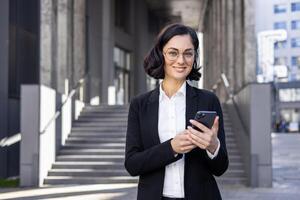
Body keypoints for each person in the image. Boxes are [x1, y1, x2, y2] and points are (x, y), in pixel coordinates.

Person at [124, 23, 229, 200]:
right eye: (173, 52)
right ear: (161, 55)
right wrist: (171, 148)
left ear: (194, 57)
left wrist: (213, 146)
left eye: (188, 53)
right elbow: (132, 165)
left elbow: (221, 168)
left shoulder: (208, 100)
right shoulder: (140, 105)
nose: (181, 60)